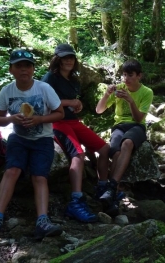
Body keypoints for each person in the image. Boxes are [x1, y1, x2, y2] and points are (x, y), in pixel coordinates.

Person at [0, 49, 64, 240]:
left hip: (43, 139)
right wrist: (12, 119)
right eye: (19, 66)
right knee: (12, 171)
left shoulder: (44, 88)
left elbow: (60, 113)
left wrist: (38, 120)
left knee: (39, 176)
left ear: (33, 69)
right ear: (11, 69)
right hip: (18, 139)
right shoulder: (7, 90)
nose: (23, 70)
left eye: (27, 65)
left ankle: (42, 221)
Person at [41, 44, 110, 223]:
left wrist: (76, 104)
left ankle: (103, 188)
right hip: (56, 121)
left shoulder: (74, 81)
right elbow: (44, 101)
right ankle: (76, 201)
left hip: (73, 121)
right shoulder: (50, 78)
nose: (69, 60)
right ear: (57, 59)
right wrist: (69, 101)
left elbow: (69, 102)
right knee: (78, 155)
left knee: (104, 149)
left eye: (71, 57)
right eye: (65, 58)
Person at [95, 59, 153, 216]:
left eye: (130, 75)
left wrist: (130, 100)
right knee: (116, 153)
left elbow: (139, 118)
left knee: (127, 143)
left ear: (139, 76)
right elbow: (99, 110)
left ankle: (111, 187)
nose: (126, 79)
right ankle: (112, 195)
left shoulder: (146, 92)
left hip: (137, 126)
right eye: (124, 75)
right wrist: (107, 95)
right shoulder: (118, 89)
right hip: (119, 126)